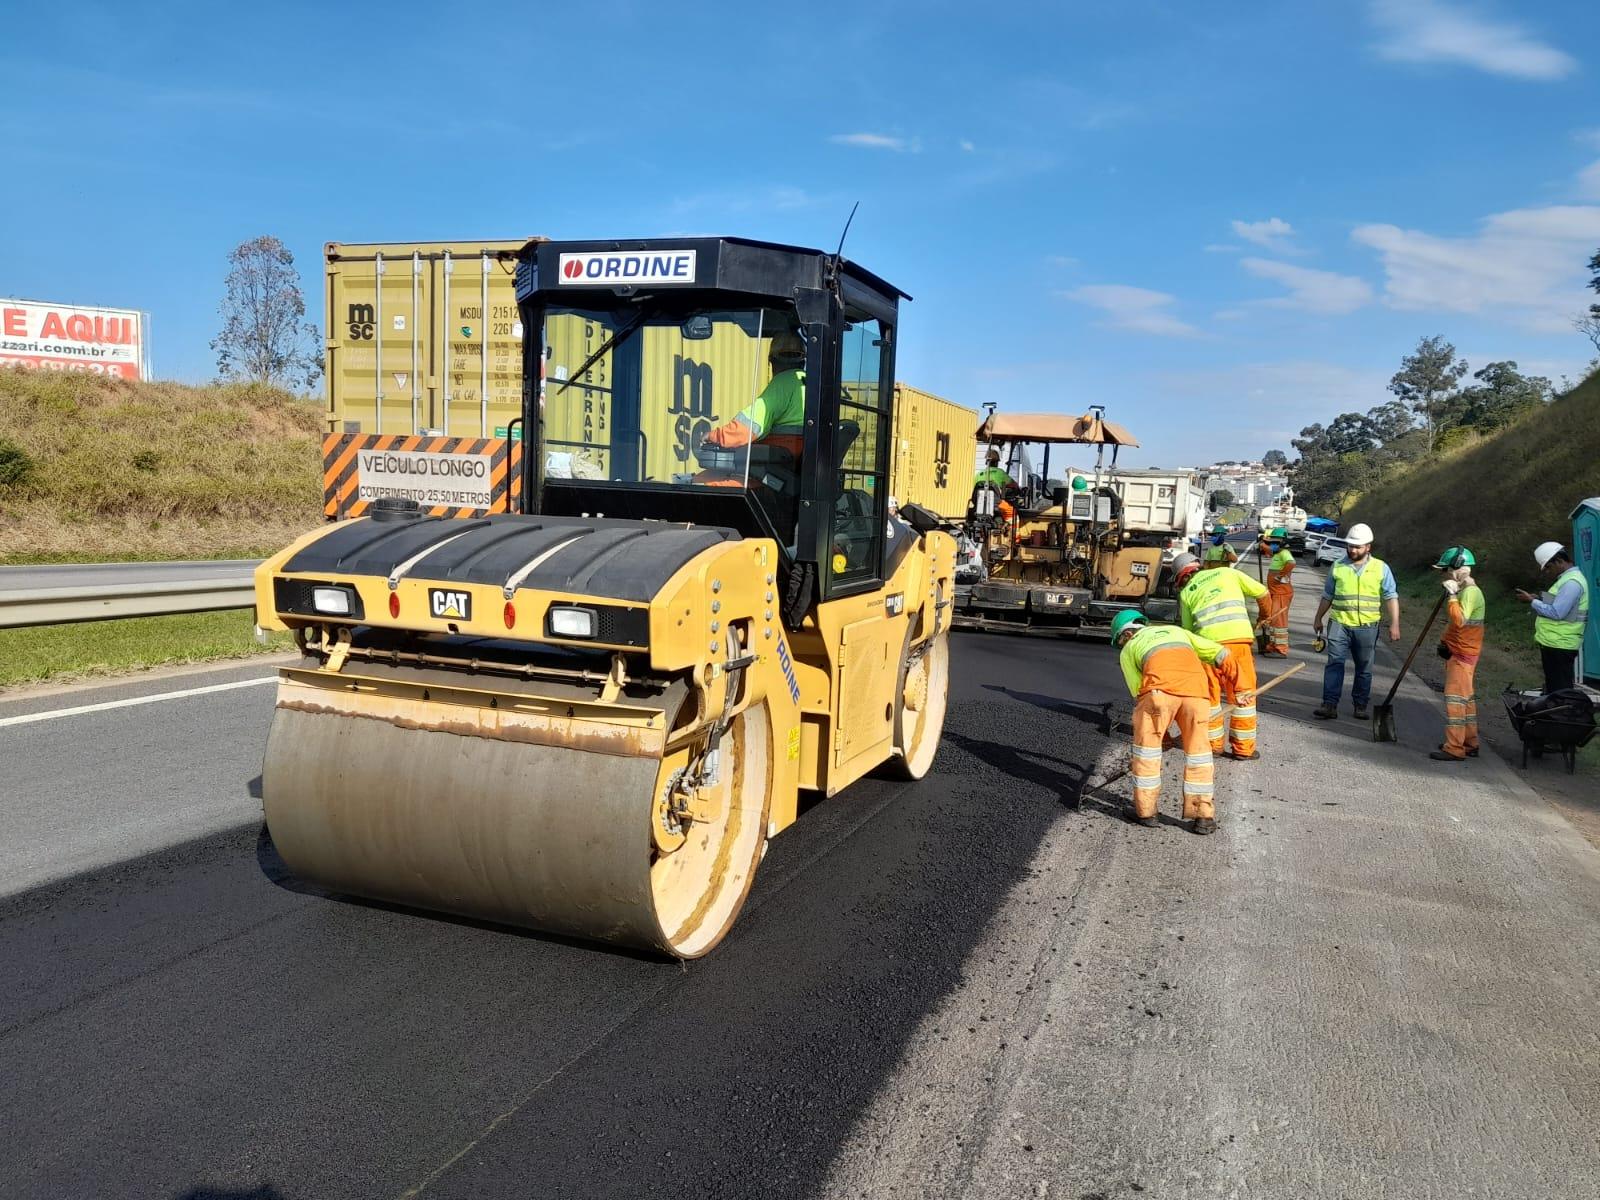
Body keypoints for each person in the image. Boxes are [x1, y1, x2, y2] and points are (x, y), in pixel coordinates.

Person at [1111, 609, 1231, 835]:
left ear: (1125, 635)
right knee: (1199, 756)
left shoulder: (1128, 649)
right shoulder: (1178, 632)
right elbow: (1220, 654)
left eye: (1120, 640)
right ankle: (1203, 817)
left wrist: (1159, 735)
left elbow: (1138, 690)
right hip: (1197, 695)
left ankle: (1146, 813)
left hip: (1158, 695)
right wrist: (1241, 688)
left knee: (1146, 754)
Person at [1174, 551, 1269, 759]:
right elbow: (1262, 593)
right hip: (1238, 644)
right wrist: (1265, 615)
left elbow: (1189, 632)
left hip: (1207, 649)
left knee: (1211, 697)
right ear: (1198, 565)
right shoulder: (1228, 574)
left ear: (1183, 576)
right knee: (1243, 693)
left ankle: (1213, 746)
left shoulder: (1186, 593)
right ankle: (1243, 749)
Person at [1311, 523, 1400, 720]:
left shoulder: (1381, 568)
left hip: (1367, 627)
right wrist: (1318, 618)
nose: (1352, 550)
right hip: (1339, 624)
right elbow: (1328, 596)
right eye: (1350, 546)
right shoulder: (1338, 567)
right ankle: (1329, 704)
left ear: (1368, 547)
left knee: (1364, 668)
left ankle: (1360, 705)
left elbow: (1391, 596)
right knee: (1334, 663)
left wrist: (1395, 624)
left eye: (1357, 547)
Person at [704, 330, 807, 457]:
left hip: (780, 467)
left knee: (714, 476)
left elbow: (750, 426)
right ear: (802, 362)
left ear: (773, 362)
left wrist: (714, 436)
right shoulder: (812, 384)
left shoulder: (784, 382)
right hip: (799, 463)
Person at [1429, 546, 1484, 763]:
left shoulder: (1469, 592)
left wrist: (1451, 595)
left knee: (1455, 702)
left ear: (1457, 567)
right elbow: (1457, 626)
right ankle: (1470, 743)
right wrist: (1445, 641)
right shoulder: (1467, 590)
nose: (1444, 574)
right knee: (1466, 702)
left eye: (1445, 570)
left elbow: (1460, 620)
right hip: (1461, 652)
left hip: (1463, 656)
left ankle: (1454, 747)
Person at [1515, 542, 1590, 694]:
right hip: (1557, 643)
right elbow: (1567, 606)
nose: (1547, 572)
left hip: (1560, 644)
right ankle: (1558, 714)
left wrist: (1532, 601)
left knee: (1561, 692)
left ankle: (1564, 716)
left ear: (1559, 562)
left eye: (1548, 567)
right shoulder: (1568, 579)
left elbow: (1557, 612)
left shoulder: (1571, 582)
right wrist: (1540, 598)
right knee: (1556, 689)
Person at [1261, 527, 1295, 658]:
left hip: (1282, 593)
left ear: (1282, 542)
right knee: (1273, 620)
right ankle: (1273, 645)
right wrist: (1263, 544)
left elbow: (1292, 563)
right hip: (1275, 592)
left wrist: (1281, 575)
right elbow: (1268, 549)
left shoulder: (1284, 553)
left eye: (1276, 541)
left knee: (1279, 621)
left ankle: (1281, 649)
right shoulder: (1277, 553)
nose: (1273, 544)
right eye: (1272, 541)